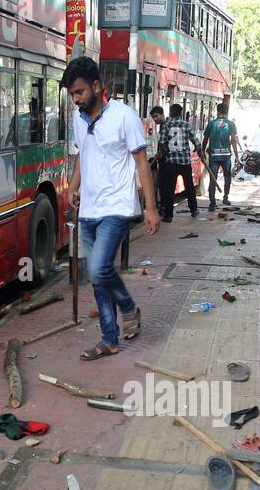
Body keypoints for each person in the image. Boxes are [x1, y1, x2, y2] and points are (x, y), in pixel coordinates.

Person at [63, 57, 160, 362]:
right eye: (72, 95)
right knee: (99, 277)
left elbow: (142, 163)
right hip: (89, 207)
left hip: (117, 206)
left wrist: (151, 208)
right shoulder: (79, 119)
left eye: (79, 92)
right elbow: (82, 155)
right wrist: (73, 187)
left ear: (95, 86)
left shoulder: (124, 117)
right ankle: (109, 339)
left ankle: (129, 308)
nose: (76, 99)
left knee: (99, 268)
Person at [158, 102, 200, 222]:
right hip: (185, 161)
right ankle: (194, 210)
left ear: (170, 113)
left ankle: (168, 215)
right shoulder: (186, 125)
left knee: (169, 189)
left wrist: (164, 152)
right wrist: (198, 148)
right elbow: (195, 140)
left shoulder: (166, 125)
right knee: (189, 187)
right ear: (181, 113)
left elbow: (162, 142)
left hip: (171, 161)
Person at [201, 102, 240, 209]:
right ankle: (225, 197)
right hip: (226, 156)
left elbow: (205, 140)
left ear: (217, 111)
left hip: (214, 156)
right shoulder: (231, 124)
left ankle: (212, 203)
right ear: (226, 111)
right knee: (227, 177)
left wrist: (202, 152)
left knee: (213, 178)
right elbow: (233, 140)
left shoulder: (212, 124)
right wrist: (236, 156)